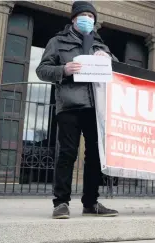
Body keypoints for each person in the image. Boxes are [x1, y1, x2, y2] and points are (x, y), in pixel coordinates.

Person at [36, 1, 119, 219]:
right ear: (73, 19)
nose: (87, 20)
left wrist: (109, 59)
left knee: (95, 156)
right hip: (70, 105)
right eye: (83, 16)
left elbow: (118, 70)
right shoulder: (57, 41)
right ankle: (61, 203)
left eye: (91, 16)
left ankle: (91, 203)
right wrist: (63, 69)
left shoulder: (100, 45)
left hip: (96, 107)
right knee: (67, 153)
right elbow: (42, 70)